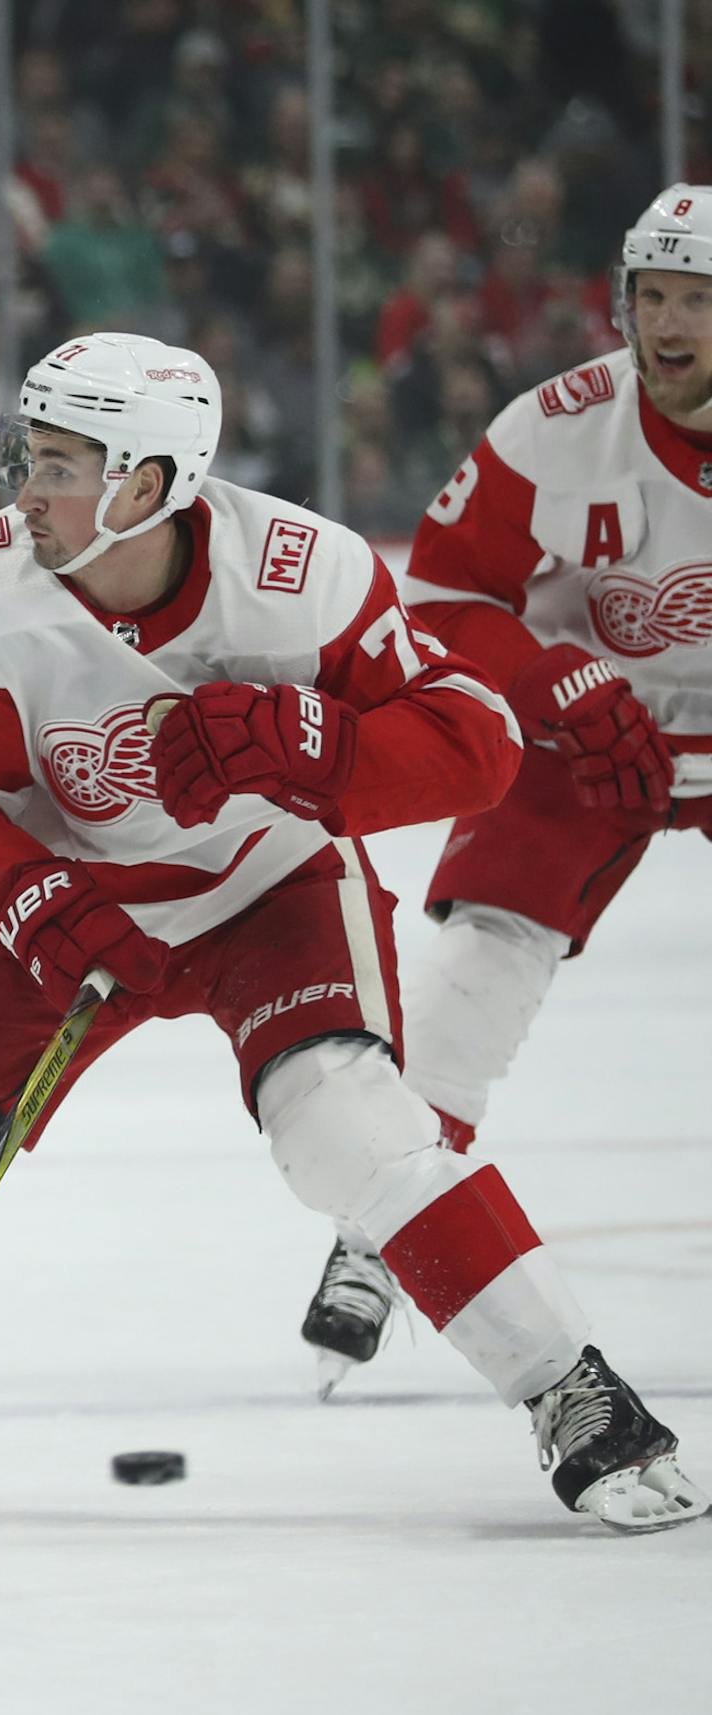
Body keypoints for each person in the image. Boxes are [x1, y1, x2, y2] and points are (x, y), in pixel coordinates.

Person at [0, 333, 705, 1535]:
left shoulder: (303, 573)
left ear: (150, 481)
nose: (26, 487)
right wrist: (24, 892)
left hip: (270, 890)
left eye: (61, 463)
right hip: (66, 901)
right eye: (23, 453)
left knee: (353, 1134)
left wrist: (307, 741)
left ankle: (578, 1392)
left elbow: (475, 748)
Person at [297, 184, 712, 1395]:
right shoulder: (556, 425)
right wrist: (548, 676)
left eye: (699, 299)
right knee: (480, 958)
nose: (672, 323)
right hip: (590, 734)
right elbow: (443, 593)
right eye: (656, 296)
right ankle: (378, 1230)